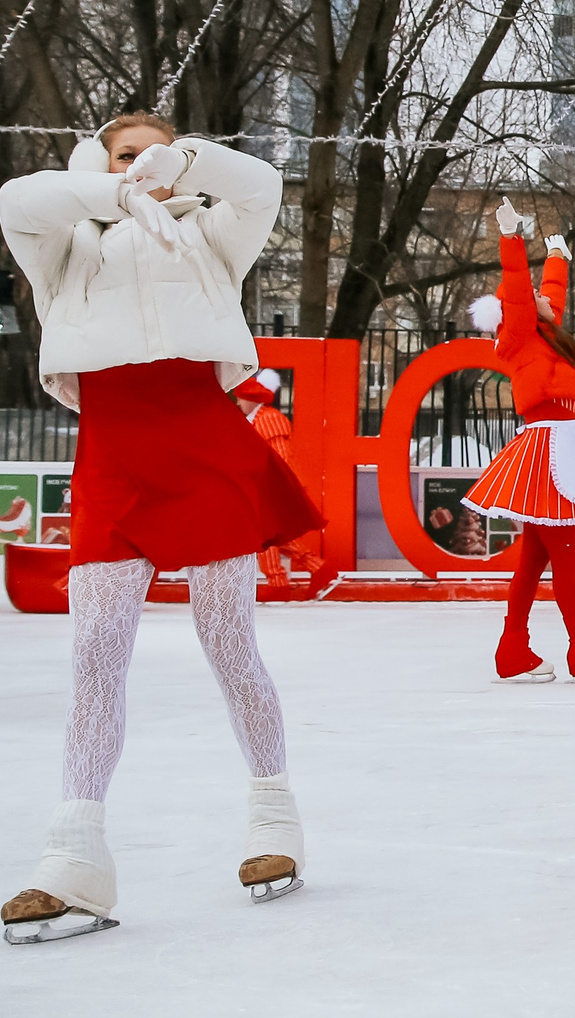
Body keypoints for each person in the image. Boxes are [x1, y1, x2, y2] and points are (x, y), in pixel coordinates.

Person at [1, 116, 319, 943]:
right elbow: (15, 200)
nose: (144, 166)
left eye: (158, 153)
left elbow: (261, 185)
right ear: (98, 163)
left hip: (207, 452)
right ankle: (74, 857)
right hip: (112, 463)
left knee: (230, 645)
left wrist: (186, 163)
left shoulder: (212, 234)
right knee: (94, 659)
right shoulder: (66, 245)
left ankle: (273, 818)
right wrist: (113, 194)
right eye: (126, 154)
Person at [461, 202, 575, 685]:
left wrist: (557, 257)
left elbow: (552, 292)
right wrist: (511, 236)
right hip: (547, 448)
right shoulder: (520, 332)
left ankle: (513, 649)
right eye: (532, 297)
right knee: (565, 557)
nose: (541, 297)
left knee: (534, 560)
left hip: (562, 445)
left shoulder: (548, 333)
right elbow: (517, 286)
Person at [236, 371, 324, 588]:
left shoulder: (268, 419)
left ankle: (278, 582)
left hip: (274, 488)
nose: (238, 403)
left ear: (251, 399)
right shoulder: (257, 419)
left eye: (240, 398)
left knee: (264, 535)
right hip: (269, 487)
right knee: (273, 536)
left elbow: (280, 458)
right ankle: (318, 569)